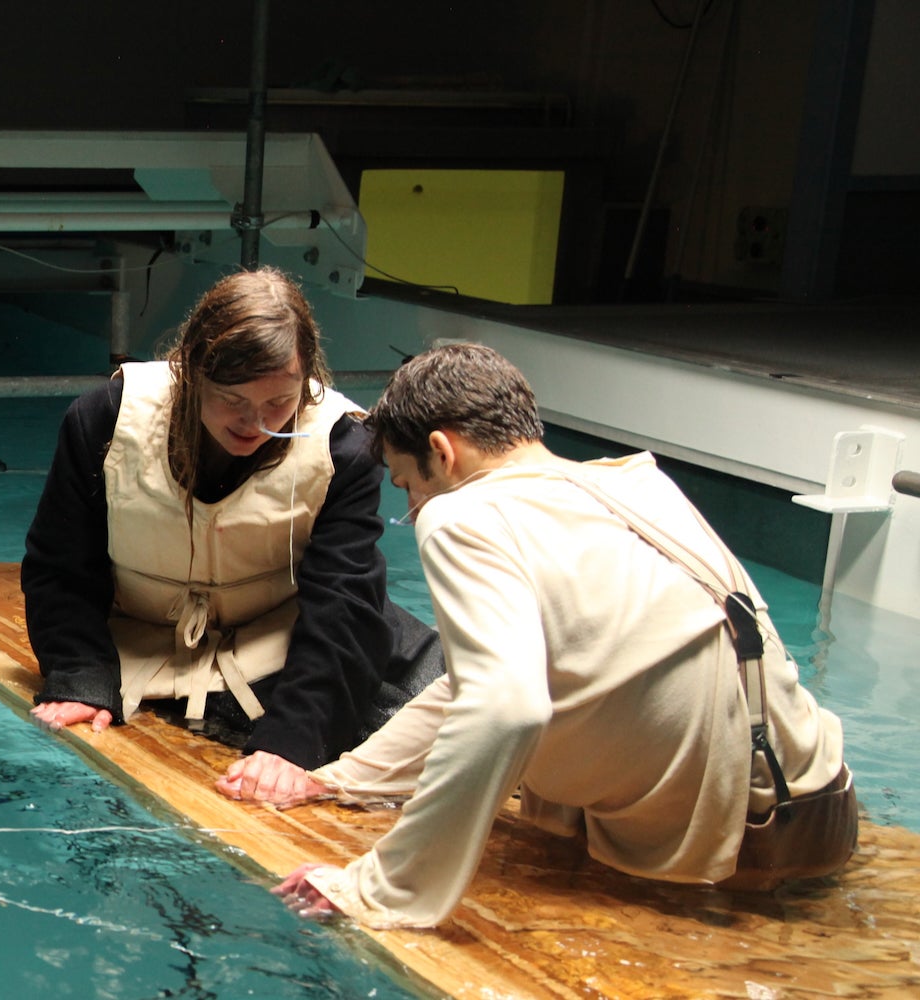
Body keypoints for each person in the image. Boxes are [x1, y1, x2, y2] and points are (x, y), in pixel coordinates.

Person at [261, 342, 855, 929]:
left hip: (726, 850)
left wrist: (377, 887)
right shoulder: (635, 485)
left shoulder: (462, 514)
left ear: (441, 453)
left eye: (406, 486)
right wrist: (336, 780)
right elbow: (479, 684)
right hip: (819, 810)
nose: (413, 510)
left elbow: (501, 708)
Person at [21, 267, 442, 794]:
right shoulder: (104, 419)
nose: (255, 423)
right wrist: (80, 676)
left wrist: (292, 742)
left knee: (437, 699)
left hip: (277, 633)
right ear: (191, 371)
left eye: (277, 403)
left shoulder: (343, 447)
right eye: (233, 400)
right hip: (140, 633)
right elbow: (61, 565)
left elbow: (343, 605)